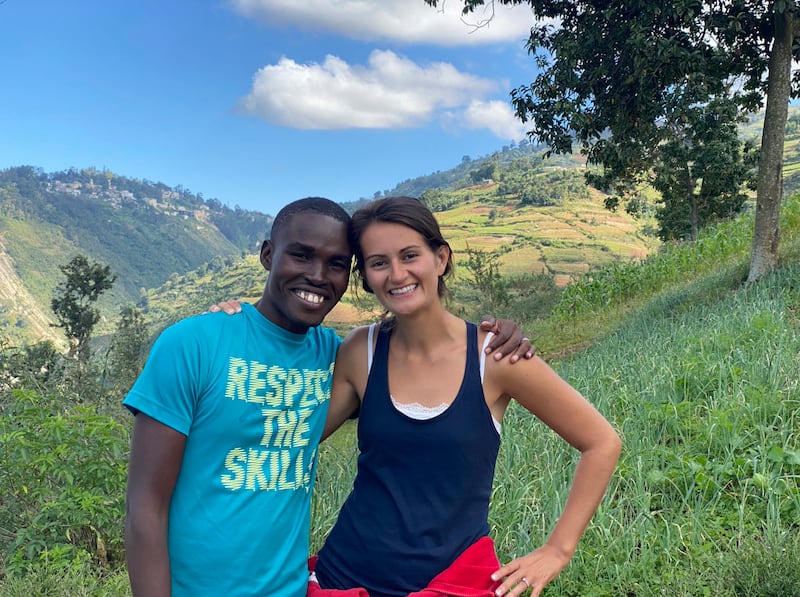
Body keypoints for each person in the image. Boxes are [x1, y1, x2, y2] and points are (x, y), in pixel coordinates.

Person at [123, 196, 533, 597]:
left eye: (337, 264)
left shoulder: (335, 355)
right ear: (268, 255)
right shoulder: (191, 344)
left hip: (293, 587)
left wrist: (498, 338)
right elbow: (146, 506)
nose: (318, 276)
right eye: (300, 256)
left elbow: (415, 381)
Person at [307, 196, 621, 597]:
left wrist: (558, 550)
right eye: (379, 262)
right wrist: (236, 328)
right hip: (345, 577)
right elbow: (297, 438)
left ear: (440, 259)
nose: (397, 273)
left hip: (452, 583)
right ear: (366, 276)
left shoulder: (496, 357)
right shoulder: (360, 350)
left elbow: (601, 442)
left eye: (410, 255)